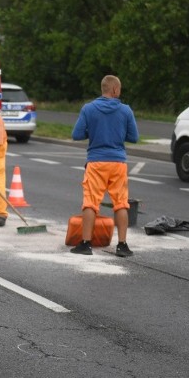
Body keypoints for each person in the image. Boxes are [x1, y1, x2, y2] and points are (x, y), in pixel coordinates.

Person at [70, 75, 139, 256]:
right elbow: (134, 137)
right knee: (121, 203)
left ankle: (86, 244)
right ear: (115, 90)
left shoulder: (89, 109)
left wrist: (93, 130)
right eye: (120, 89)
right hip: (118, 162)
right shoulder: (125, 110)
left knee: (90, 203)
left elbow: (76, 135)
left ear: (103, 89)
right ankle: (122, 245)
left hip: (96, 162)